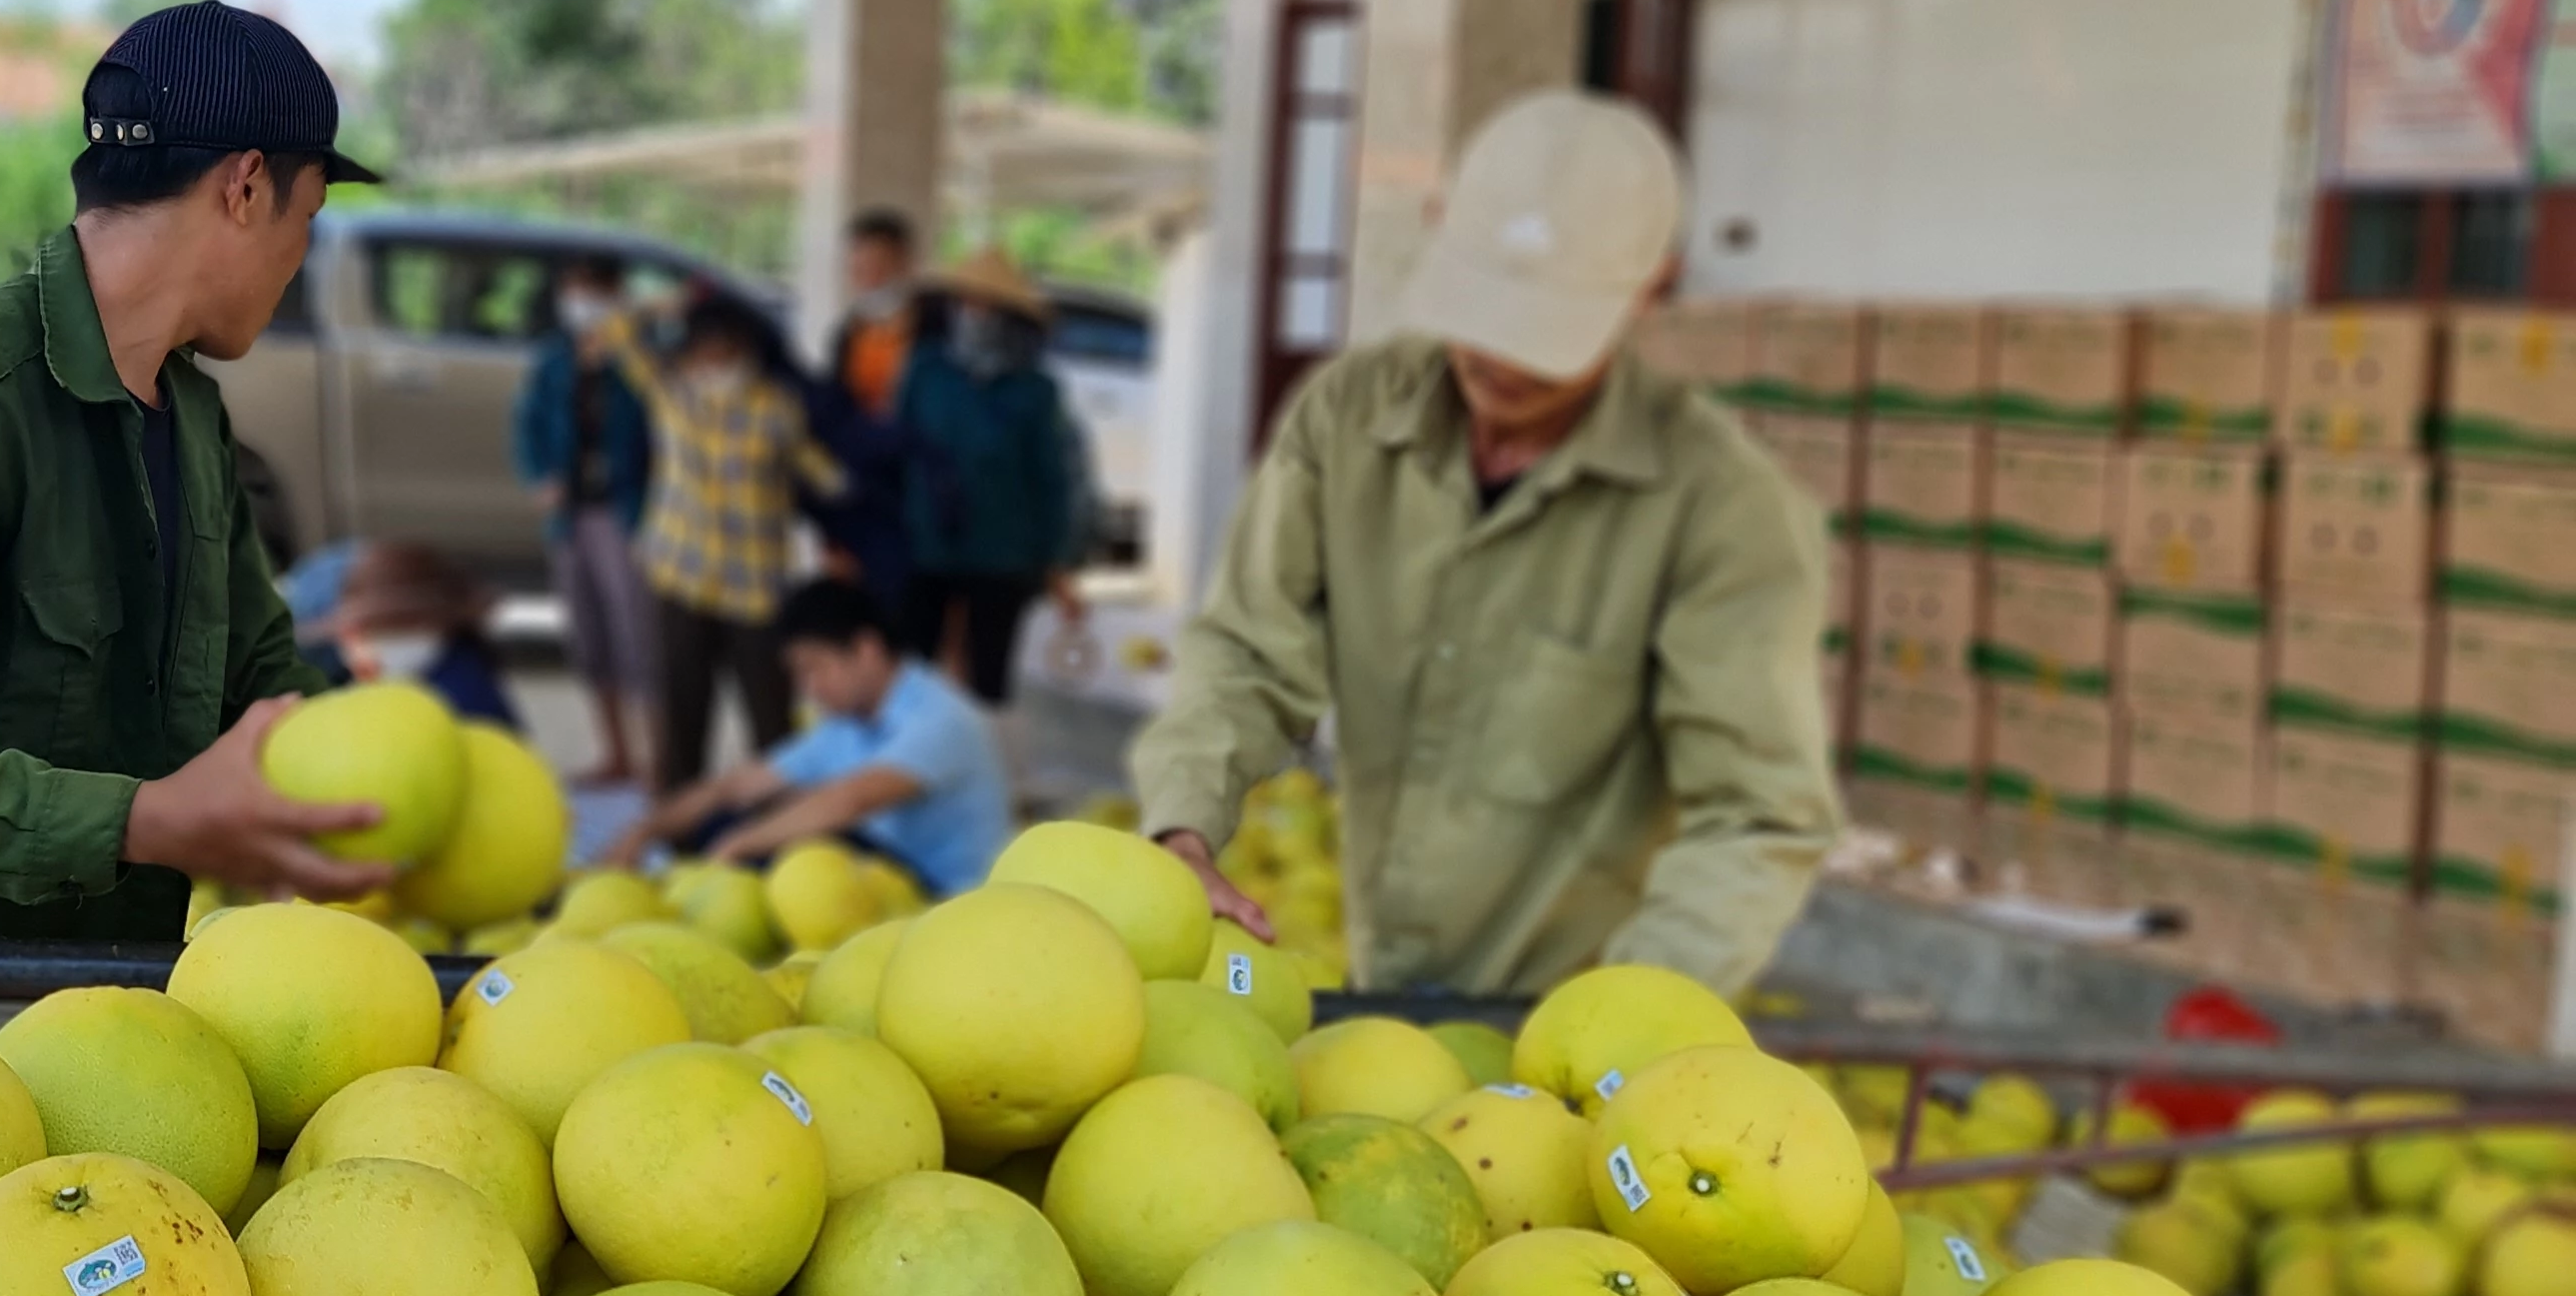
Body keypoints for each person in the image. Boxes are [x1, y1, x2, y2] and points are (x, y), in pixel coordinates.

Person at [1130, 91, 1840, 996]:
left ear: (1651, 288)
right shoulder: (1349, 417)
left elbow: (1757, 816)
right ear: (1437, 232)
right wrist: (1181, 831)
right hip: (1379, 982)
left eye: (1543, 329)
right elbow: (1246, 649)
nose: (1499, 360)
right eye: (1485, 309)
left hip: (1563, 1026)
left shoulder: (1722, 510)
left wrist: (1618, 1028)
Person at [0, 1, 396, 938]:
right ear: (248, 188)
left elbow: (260, 680)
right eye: (309, 217)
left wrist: (384, 774)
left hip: (116, 1008)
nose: (299, 258)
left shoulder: (190, 417)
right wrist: (142, 823)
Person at [599, 579, 1007, 896]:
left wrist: (743, 844)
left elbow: (851, 800)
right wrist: (642, 833)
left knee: (775, 849)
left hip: (941, 894)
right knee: (720, 822)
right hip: (880, 876)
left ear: (865, 649)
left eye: (815, 668)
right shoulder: (847, 723)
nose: (809, 688)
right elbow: (734, 786)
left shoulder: (941, 715)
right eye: (800, 674)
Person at [604, 291, 841, 796]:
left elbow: (810, 467)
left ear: (745, 351)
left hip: (754, 587)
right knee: (681, 710)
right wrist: (662, 305)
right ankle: (677, 829)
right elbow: (618, 332)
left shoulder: (776, 406)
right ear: (688, 352)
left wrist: (849, 492)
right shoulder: (670, 393)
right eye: (704, 351)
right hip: (681, 577)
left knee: (770, 714)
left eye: (726, 352)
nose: (715, 363)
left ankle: (779, 820)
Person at [895, 246, 1092, 707]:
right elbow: (897, 449)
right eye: (965, 302)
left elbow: (1052, 478)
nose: (972, 314)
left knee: (990, 679)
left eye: (984, 304)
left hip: (1004, 552)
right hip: (926, 542)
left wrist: (1057, 561)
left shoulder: (1036, 389)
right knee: (910, 672)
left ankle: (980, 764)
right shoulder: (926, 370)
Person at [513, 252, 651, 781]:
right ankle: (615, 752)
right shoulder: (553, 361)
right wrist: (539, 478)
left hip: (623, 514)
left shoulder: (638, 359)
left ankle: (653, 755)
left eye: (594, 291)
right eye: (575, 290)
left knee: (636, 634)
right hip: (570, 517)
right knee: (589, 636)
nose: (583, 304)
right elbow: (525, 427)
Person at [329, 541, 521, 728]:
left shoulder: (459, 697)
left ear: (431, 623)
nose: (362, 646)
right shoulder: (430, 678)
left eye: (386, 629)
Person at [826, 206, 938, 417]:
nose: (870, 282)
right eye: (860, 271)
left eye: (879, 268)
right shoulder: (848, 333)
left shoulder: (936, 327)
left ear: (905, 262)